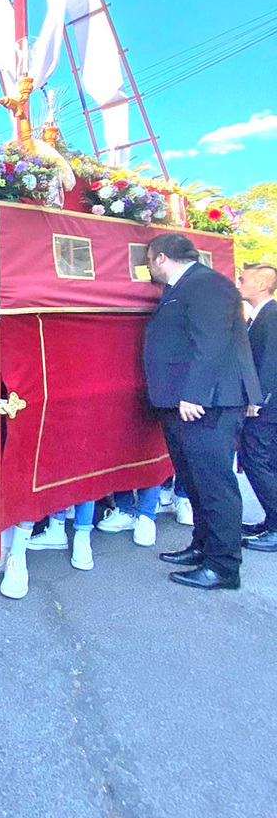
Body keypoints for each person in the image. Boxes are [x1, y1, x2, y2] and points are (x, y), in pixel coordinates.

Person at [143, 233, 262, 590]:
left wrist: (195, 394)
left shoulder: (207, 284)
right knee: (194, 481)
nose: (148, 267)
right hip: (184, 403)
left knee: (215, 486)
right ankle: (203, 546)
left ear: (161, 258)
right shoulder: (186, 286)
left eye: (149, 260)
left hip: (206, 404)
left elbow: (211, 343)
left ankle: (224, 566)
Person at [237, 262, 277, 552]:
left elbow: (269, 363)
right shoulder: (259, 316)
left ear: (262, 284)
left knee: (256, 460)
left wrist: (256, 399)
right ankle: (271, 519)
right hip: (265, 402)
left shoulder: (271, 317)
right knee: (265, 461)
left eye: (243, 279)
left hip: (266, 404)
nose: (239, 282)